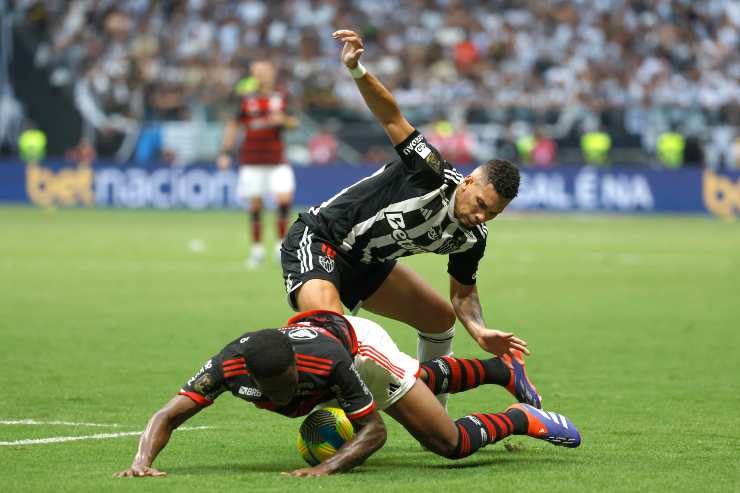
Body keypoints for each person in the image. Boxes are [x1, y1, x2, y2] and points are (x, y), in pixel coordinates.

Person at [280, 30, 525, 410]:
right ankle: (349, 420)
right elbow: (391, 115)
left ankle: (435, 413)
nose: (480, 216)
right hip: (321, 238)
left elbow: (462, 294)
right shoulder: (429, 170)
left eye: (492, 213)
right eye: (480, 203)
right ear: (469, 181)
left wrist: (478, 329)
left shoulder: (472, 238)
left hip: (367, 263)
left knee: (439, 317)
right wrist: (357, 69)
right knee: (334, 335)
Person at [113, 311, 580, 478]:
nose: (284, 398)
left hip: (359, 348)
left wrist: (326, 467)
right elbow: (168, 414)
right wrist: (141, 460)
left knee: (447, 443)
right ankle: (499, 369)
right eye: (273, 393)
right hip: (320, 333)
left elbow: (374, 432)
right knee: (423, 377)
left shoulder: (326, 364)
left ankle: (520, 416)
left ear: (298, 369)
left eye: (290, 387)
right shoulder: (227, 367)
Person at [218, 60, 299, 269]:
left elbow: (294, 122)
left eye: (264, 71)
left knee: (284, 199)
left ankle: (280, 247)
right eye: (256, 72)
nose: (261, 75)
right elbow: (233, 125)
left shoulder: (282, 96)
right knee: (255, 205)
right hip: (252, 160)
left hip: (276, 159)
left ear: (272, 73)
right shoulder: (245, 98)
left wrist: (283, 120)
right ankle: (257, 250)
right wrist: (225, 152)